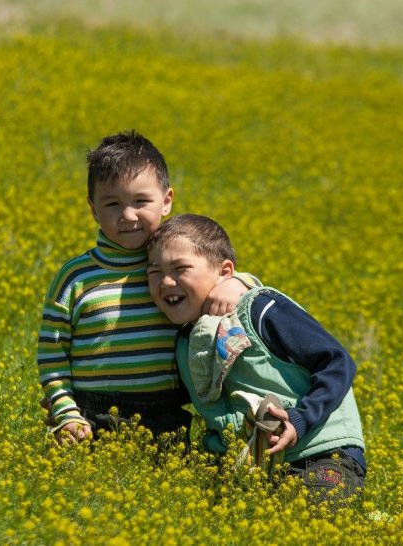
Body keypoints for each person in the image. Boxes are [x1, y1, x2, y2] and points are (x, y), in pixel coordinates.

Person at [37, 132, 256, 444]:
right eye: (112, 203)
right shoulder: (75, 276)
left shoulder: (175, 268)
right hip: (90, 416)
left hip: (166, 414)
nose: (128, 215)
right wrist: (65, 412)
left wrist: (238, 283)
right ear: (93, 209)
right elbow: (52, 353)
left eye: (141, 201)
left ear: (166, 201)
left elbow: (230, 279)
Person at [146, 214, 366, 499]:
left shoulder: (259, 308)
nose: (166, 281)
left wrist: (300, 419)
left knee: (313, 518)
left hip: (319, 453)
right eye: (154, 272)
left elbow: (337, 361)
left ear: (225, 272)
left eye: (180, 268)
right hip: (250, 467)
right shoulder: (185, 340)